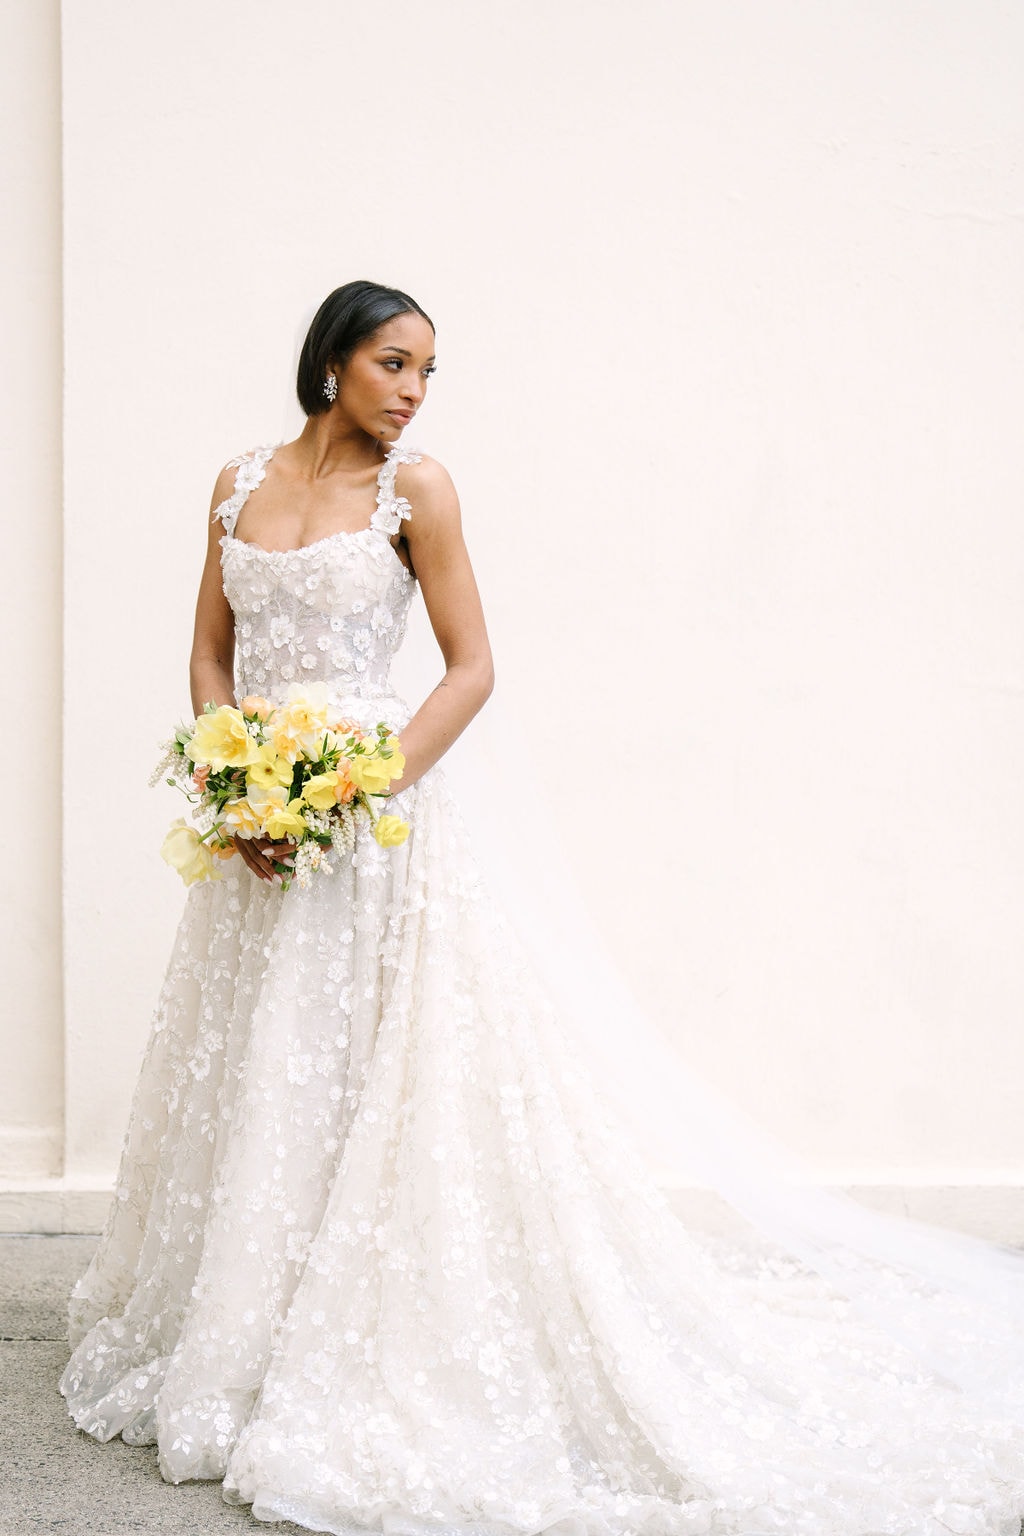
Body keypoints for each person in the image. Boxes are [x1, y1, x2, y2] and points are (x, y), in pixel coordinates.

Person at [61, 279, 1024, 1536]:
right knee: (264, 1067)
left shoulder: (422, 494)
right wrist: (236, 788)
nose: (412, 391)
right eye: (394, 363)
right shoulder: (236, 483)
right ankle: (244, 1317)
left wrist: (359, 787)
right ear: (332, 362)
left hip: (370, 824)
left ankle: (362, 1327)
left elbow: (473, 666)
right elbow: (209, 651)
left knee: (375, 1074)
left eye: (428, 373)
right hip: (257, 829)